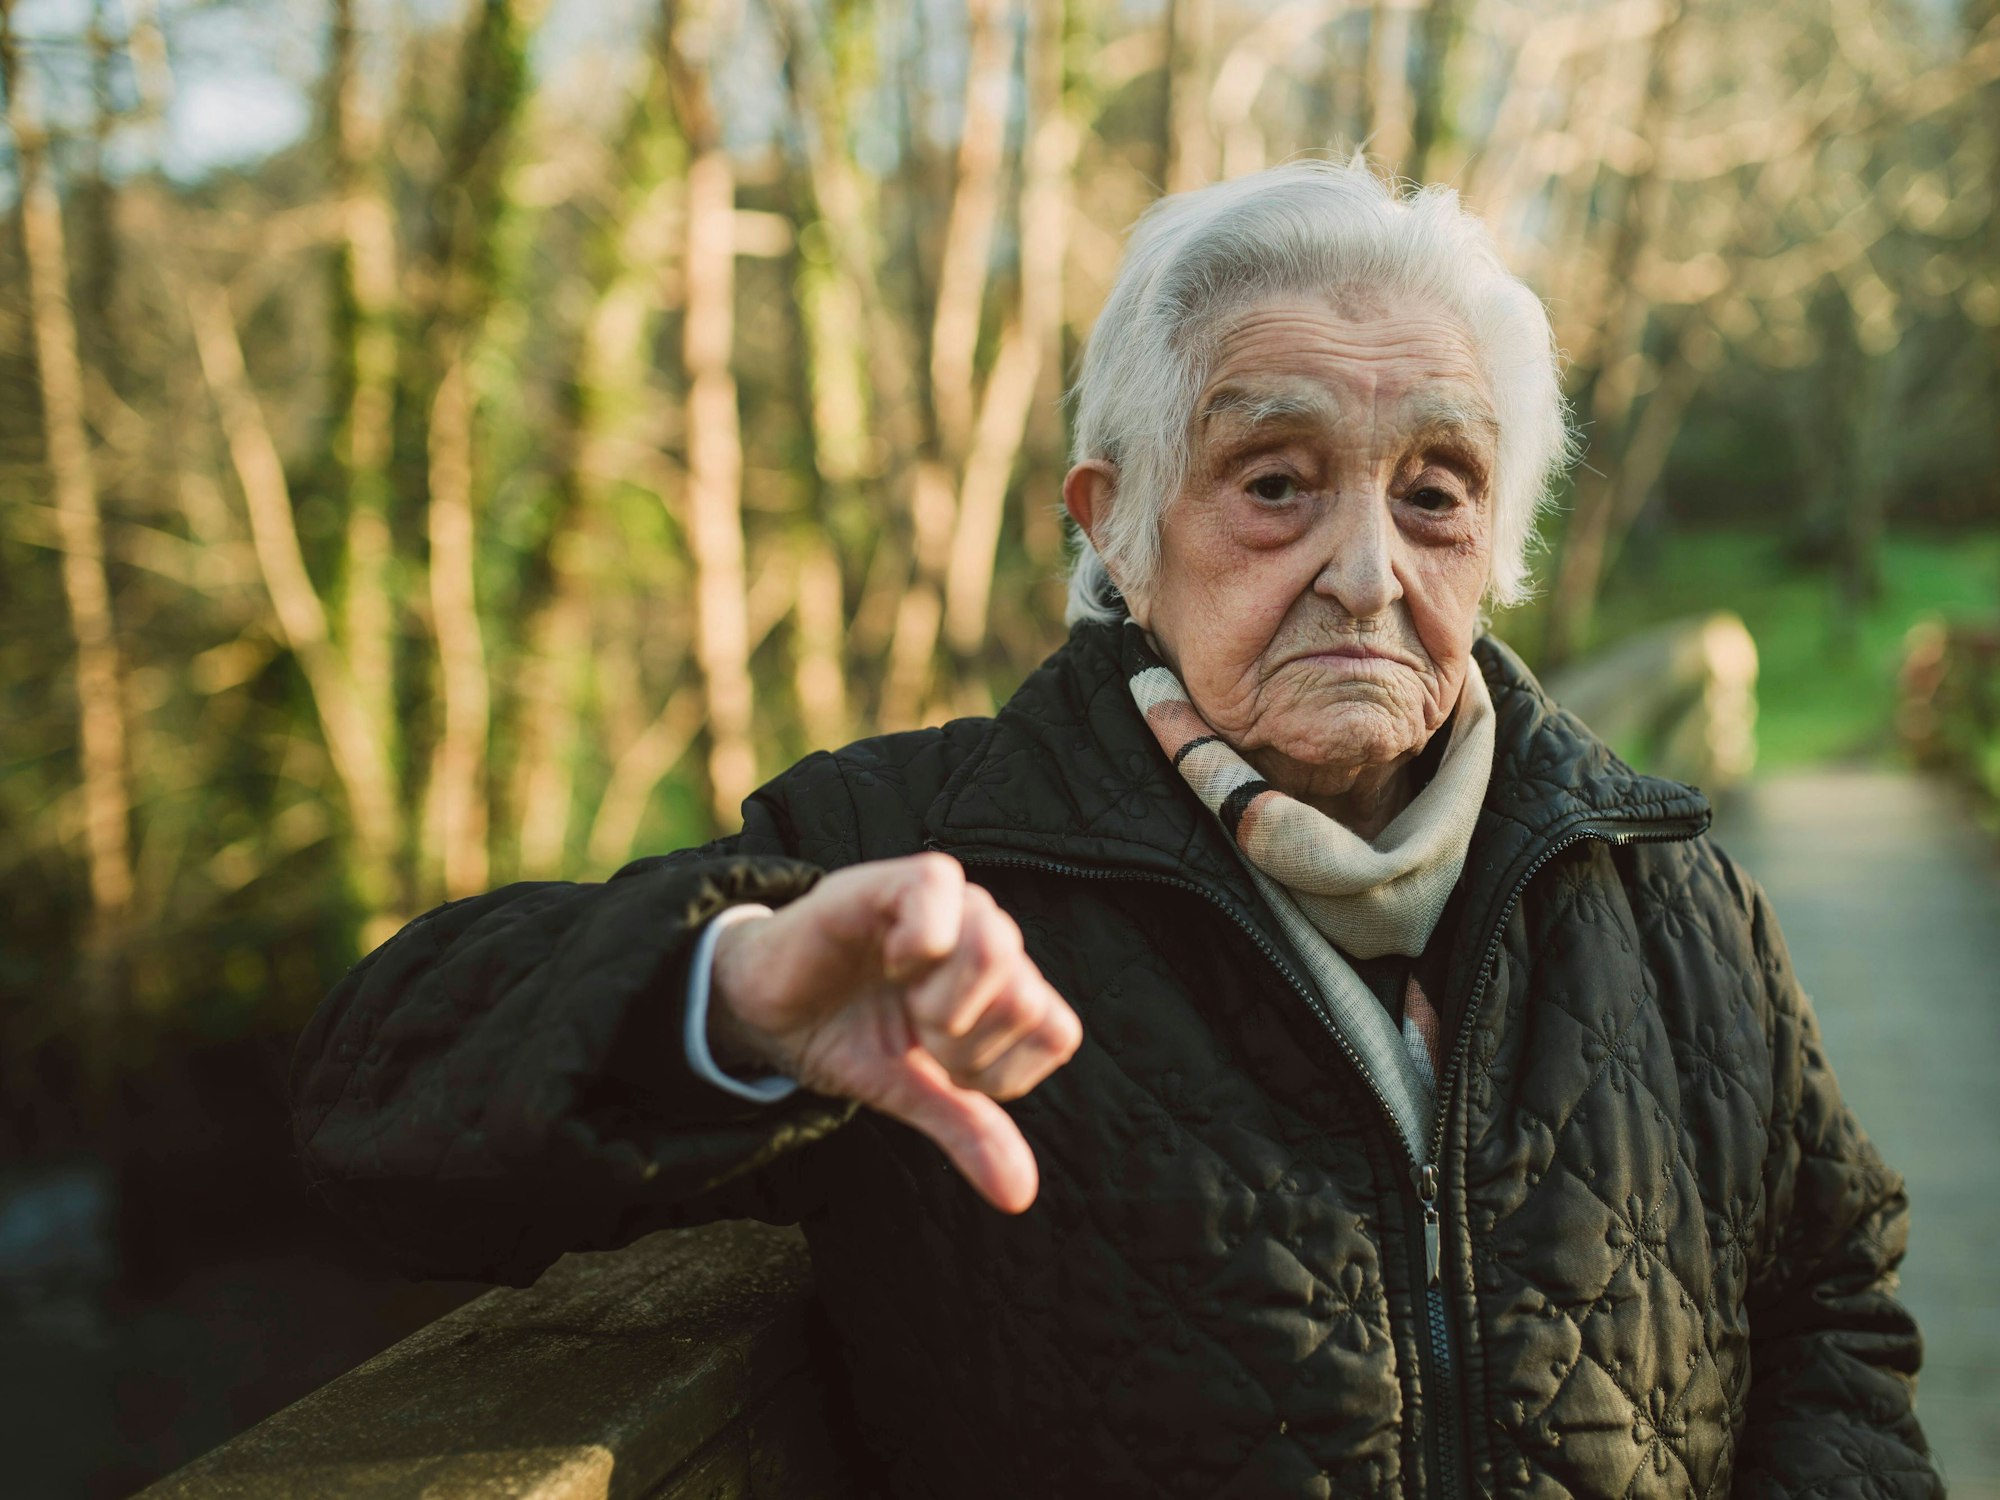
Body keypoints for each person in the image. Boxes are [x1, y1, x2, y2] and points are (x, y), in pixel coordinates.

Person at [291, 159, 1939, 1498]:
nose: (1368, 569)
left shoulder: (1669, 893)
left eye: (1435, 490)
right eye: (1275, 481)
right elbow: (372, 1104)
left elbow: (1834, 1301)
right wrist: (730, 1001)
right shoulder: (924, 860)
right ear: (1119, 526)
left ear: (1496, 544)